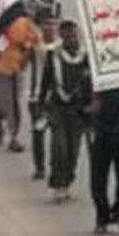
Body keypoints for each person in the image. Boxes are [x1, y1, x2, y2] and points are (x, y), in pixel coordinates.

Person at [36, 20, 94, 203]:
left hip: (79, 111)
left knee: (73, 151)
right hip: (58, 108)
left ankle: (67, 182)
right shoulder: (53, 56)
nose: (70, 39)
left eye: (73, 35)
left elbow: (93, 86)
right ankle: (57, 185)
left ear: (78, 35)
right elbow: (45, 83)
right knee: (58, 148)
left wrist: (92, 110)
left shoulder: (86, 58)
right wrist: (40, 108)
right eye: (66, 36)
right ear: (61, 37)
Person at [0, 1, 39, 152]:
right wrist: (26, 50)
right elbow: (34, 40)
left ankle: (2, 131)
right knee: (13, 104)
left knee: (4, 101)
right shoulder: (23, 22)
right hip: (13, 67)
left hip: (4, 67)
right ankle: (14, 138)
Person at [89, 86, 119, 235]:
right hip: (101, 133)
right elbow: (84, 102)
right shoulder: (95, 75)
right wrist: (92, 102)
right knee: (98, 179)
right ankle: (102, 217)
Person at [27, 18, 59, 181]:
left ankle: (56, 168)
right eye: (46, 24)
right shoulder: (35, 46)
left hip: (56, 98)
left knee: (57, 136)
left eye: (53, 24)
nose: (50, 28)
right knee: (38, 132)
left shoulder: (61, 47)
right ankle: (39, 167)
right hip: (36, 97)